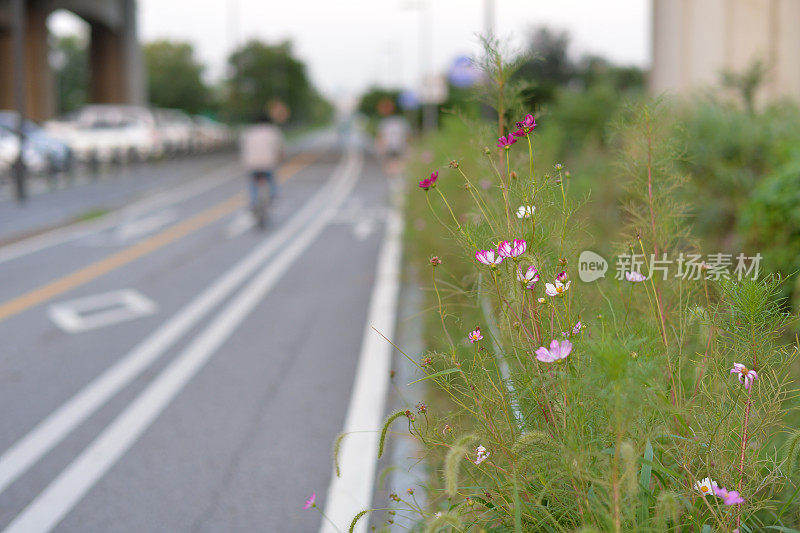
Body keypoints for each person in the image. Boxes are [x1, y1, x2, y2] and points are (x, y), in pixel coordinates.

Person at [240, 113, 285, 209]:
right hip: (268, 162)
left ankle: (253, 202)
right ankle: (273, 196)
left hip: (251, 163)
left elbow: (244, 147)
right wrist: (280, 158)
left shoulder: (248, 131)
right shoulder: (273, 131)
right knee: (271, 178)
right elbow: (280, 148)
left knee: (253, 183)